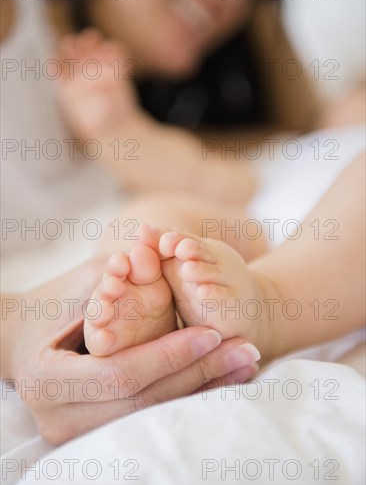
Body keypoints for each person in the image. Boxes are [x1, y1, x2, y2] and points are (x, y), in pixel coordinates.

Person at [82, 153, 365, 366]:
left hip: (334, 252)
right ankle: (157, 310)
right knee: (146, 221)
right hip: (262, 226)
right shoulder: (302, 149)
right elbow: (229, 180)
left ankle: (269, 303)